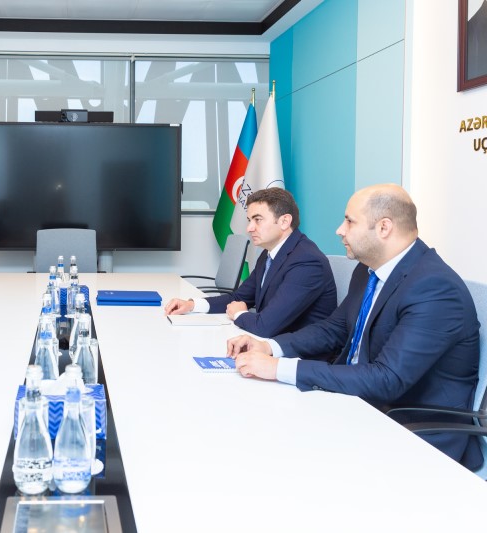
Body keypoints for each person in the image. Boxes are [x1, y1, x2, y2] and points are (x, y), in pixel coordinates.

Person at [228, 184, 482, 470]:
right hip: (358, 405)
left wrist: (279, 368)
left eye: (349, 221)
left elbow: (386, 379)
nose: (340, 230)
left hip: (413, 432)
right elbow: (333, 329)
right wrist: (269, 347)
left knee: (280, 457)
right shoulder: (368, 270)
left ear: (384, 227)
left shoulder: (435, 288)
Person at [165, 188, 336, 337]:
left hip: (296, 355)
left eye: (258, 219)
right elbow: (238, 298)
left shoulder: (307, 262)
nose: (249, 228)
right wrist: (192, 305)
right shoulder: (269, 254)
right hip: (267, 342)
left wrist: (239, 314)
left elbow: (265, 326)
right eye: (249, 220)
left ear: (284, 221)